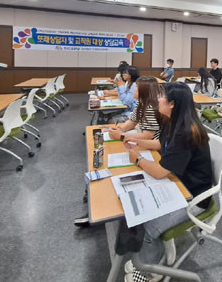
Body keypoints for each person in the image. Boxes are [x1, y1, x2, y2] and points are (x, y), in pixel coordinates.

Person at [124, 82, 212, 282]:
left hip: (193, 197)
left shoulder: (186, 132)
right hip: (178, 184)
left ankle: (151, 271)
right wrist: (137, 142)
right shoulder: (171, 121)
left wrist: (138, 159)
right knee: (139, 210)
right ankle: (150, 258)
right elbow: (160, 144)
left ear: (172, 104)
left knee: (148, 227)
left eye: (162, 96)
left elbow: (160, 172)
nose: (158, 99)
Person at [74, 77, 163, 228]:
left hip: (149, 147)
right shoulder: (141, 103)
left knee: (119, 168)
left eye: (136, 88)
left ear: (143, 91)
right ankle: (95, 200)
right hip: (139, 141)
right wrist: (121, 128)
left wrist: (122, 136)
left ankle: (104, 208)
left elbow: (148, 136)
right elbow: (132, 122)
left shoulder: (150, 108)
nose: (134, 89)